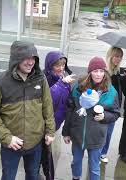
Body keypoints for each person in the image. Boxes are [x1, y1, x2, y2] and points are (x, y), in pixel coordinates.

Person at [0, 41, 55, 180]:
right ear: (15, 59)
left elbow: (48, 106)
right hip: (11, 146)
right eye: (26, 58)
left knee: (33, 175)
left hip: (36, 143)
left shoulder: (40, 79)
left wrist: (50, 131)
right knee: (8, 177)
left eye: (33, 58)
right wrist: (7, 138)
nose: (30, 62)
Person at [62, 57, 120, 180]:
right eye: (95, 71)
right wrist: (66, 132)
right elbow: (70, 110)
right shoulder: (78, 87)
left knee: (94, 167)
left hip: (96, 137)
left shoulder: (111, 92)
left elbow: (115, 114)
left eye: (101, 71)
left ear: (105, 72)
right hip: (78, 135)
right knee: (76, 162)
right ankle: (75, 177)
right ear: (90, 72)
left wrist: (105, 117)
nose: (98, 74)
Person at [42, 51, 75, 180]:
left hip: (56, 122)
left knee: (43, 152)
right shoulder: (44, 78)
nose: (61, 68)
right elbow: (48, 99)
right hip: (45, 124)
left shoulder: (62, 78)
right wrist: (61, 84)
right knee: (47, 155)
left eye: (63, 64)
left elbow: (67, 100)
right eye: (57, 65)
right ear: (50, 65)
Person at [100, 47, 124, 163]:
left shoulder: (119, 72)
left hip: (115, 107)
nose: (118, 59)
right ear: (110, 56)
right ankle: (97, 152)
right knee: (102, 131)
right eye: (116, 56)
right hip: (105, 106)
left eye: (120, 56)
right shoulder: (105, 72)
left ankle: (103, 152)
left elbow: (122, 90)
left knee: (109, 132)